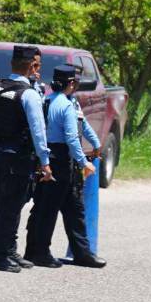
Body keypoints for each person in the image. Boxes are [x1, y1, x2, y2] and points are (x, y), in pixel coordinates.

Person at [24, 64, 107, 269]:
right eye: (76, 82)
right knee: (47, 209)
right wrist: (84, 162)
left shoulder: (54, 100)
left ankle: (82, 253)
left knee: (74, 208)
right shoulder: (64, 105)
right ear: (71, 83)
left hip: (52, 158)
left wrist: (96, 143)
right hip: (60, 159)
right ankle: (39, 252)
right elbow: (71, 138)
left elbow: (82, 124)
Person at [0, 45, 53, 273]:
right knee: (11, 206)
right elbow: (38, 132)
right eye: (37, 66)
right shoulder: (29, 94)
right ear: (32, 66)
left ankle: (0, 249)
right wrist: (45, 162)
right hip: (18, 157)